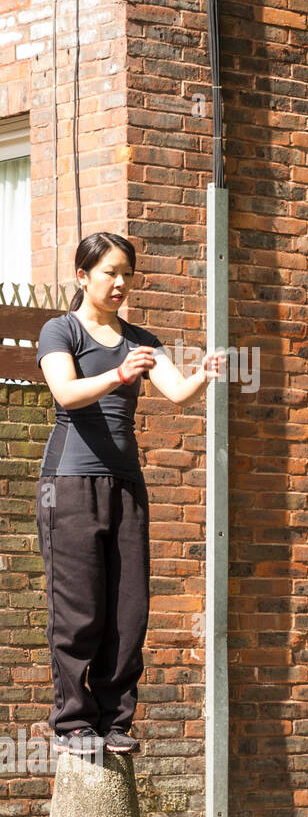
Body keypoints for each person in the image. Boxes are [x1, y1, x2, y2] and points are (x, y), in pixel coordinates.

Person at [35, 232, 225, 758]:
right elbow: (66, 393)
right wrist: (118, 374)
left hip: (126, 485)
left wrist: (203, 375)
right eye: (108, 273)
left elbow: (177, 392)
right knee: (79, 608)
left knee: (128, 610)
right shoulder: (61, 330)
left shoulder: (140, 338)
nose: (119, 283)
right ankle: (73, 723)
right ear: (82, 276)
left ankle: (115, 722)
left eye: (126, 274)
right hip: (69, 485)